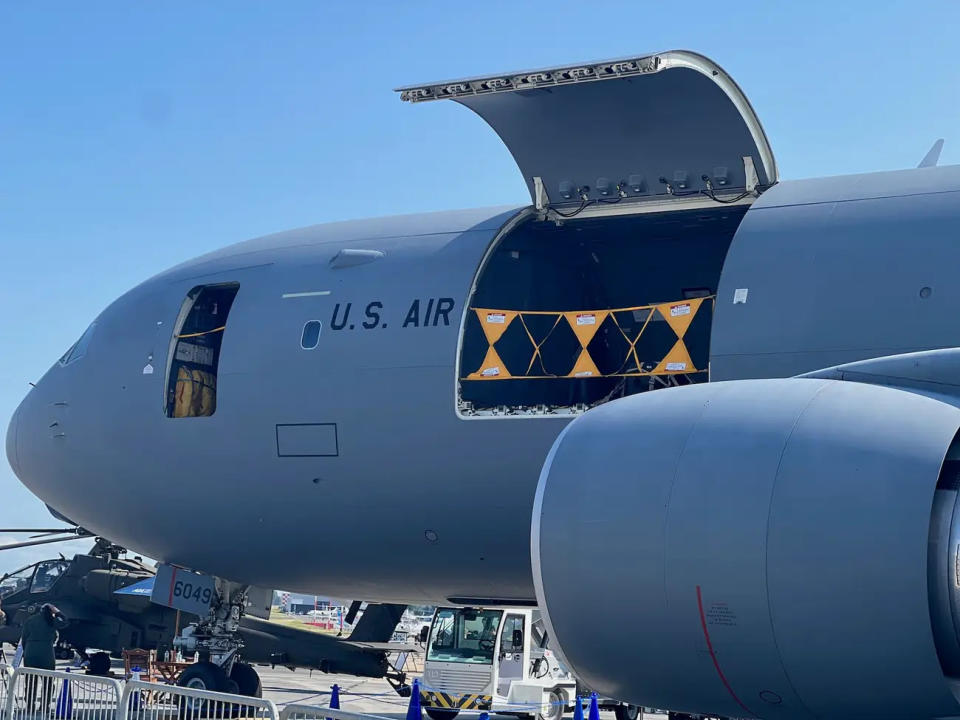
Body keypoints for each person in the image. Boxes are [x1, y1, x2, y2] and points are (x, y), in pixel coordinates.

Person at [20, 604, 68, 707]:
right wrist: (58, 612)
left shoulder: (30, 620)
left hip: (30, 652)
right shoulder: (51, 620)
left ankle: (30, 705)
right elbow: (65, 622)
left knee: (30, 681)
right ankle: (45, 705)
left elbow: (24, 639)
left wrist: (26, 652)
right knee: (48, 682)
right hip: (46, 653)